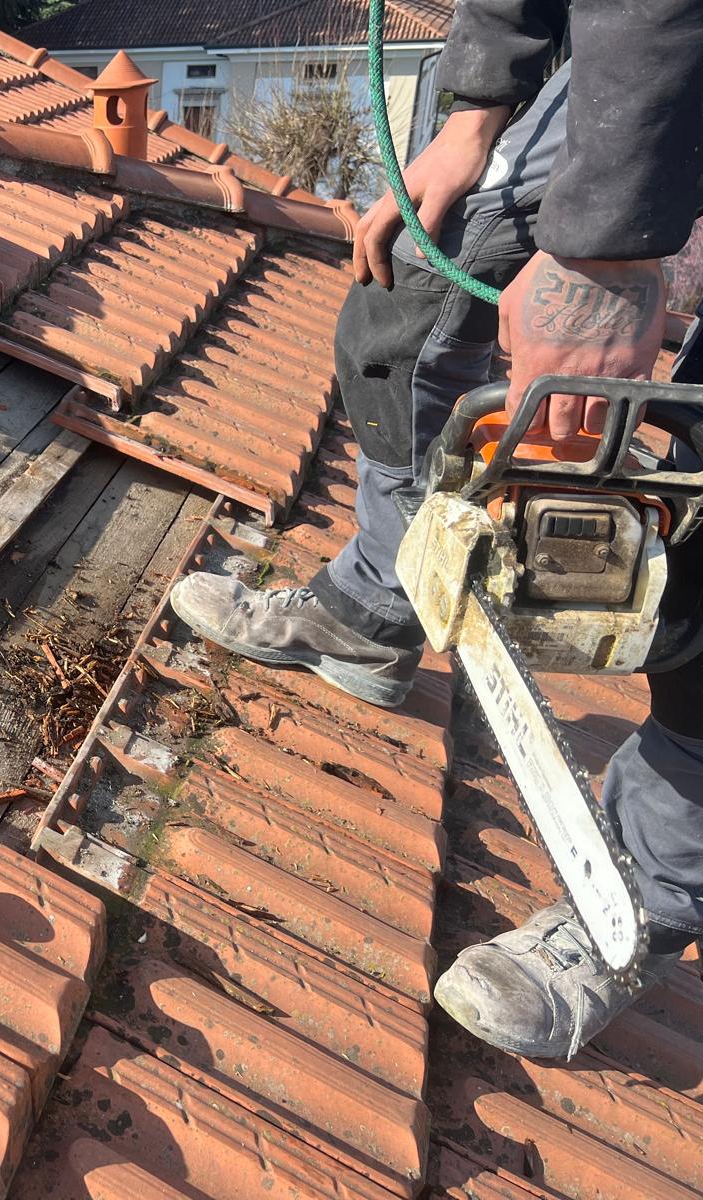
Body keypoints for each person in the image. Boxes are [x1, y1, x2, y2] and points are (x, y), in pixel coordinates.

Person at [170, 0, 703, 1058]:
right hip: (646, 39)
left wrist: (603, 258)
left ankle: (648, 889)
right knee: (416, 273)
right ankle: (377, 606)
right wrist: (477, 110)